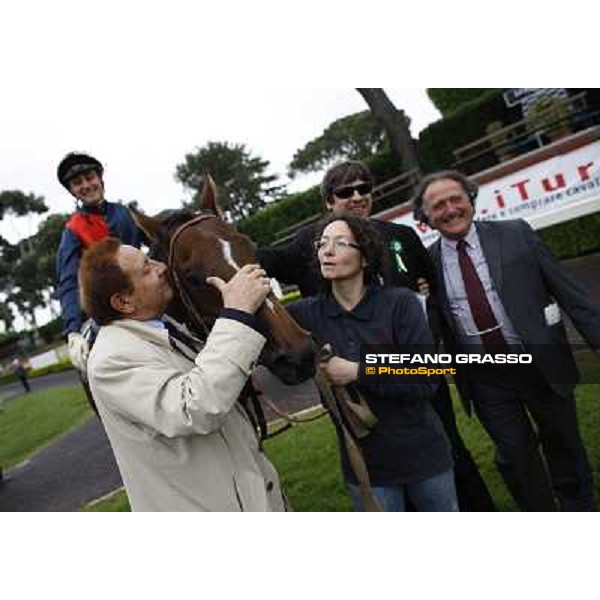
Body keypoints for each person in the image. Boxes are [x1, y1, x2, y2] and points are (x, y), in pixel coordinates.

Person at [259, 160, 494, 511]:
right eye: (345, 191)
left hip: (417, 389)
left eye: (364, 188)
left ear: (366, 255)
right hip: (361, 422)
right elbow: (262, 269)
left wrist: (421, 314)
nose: (357, 196)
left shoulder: (399, 244)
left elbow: (435, 303)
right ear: (327, 200)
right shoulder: (309, 262)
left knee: (449, 458)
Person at [413, 169, 600, 511]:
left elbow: (569, 293)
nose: (450, 209)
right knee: (516, 457)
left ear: (470, 199)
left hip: (541, 363)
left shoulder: (516, 234)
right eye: (438, 206)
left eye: (456, 199)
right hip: (486, 379)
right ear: (425, 218)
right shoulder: (427, 264)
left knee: (564, 448)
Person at [80, 238, 286, 512]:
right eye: (146, 268)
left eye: (341, 243)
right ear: (124, 301)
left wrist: (362, 368)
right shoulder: (111, 360)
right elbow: (196, 406)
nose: (163, 267)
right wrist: (236, 315)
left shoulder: (163, 328)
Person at [286, 213, 457, 511]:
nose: (327, 250)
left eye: (340, 243)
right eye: (322, 243)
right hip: (365, 467)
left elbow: (426, 375)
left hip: (424, 455)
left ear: (364, 257)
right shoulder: (304, 315)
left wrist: (357, 371)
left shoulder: (400, 303)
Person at [55, 152, 142, 373]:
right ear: (73, 191)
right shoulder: (72, 230)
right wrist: (73, 330)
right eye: (77, 182)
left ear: (100, 179)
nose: (85, 185)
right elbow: (68, 281)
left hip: (145, 294)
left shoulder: (126, 213)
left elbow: (159, 240)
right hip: (109, 312)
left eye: (89, 177)